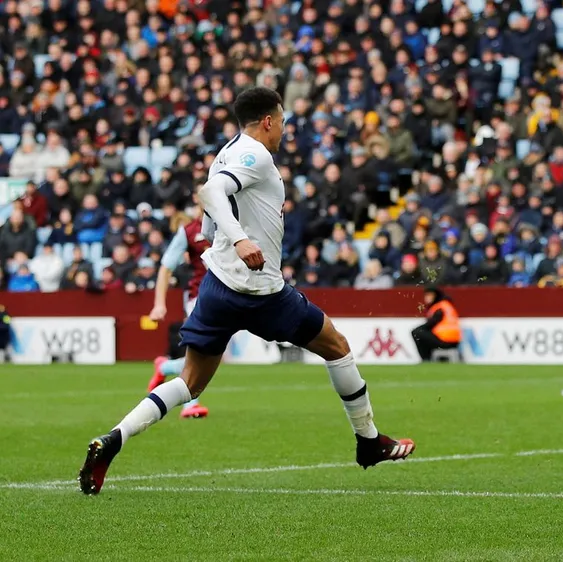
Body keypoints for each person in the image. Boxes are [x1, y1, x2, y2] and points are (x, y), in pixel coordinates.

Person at [79, 88, 415, 495]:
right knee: (337, 346)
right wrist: (239, 239)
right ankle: (368, 441)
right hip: (262, 291)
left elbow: (207, 210)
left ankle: (114, 440)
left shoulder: (227, 151)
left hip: (217, 287)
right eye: (284, 123)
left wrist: (216, 239)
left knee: (189, 382)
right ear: (269, 121)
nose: (284, 132)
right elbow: (211, 194)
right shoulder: (257, 155)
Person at [146, 201, 211, 419]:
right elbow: (166, 267)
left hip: (226, 298)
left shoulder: (228, 225)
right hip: (199, 298)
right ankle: (190, 404)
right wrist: (159, 303)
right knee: (201, 354)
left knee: (211, 357)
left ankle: (164, 368)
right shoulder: (189, 232)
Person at [411, 286, 462, 361]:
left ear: (436, 296)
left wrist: (418, 329)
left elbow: (430, 324)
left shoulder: (439, 307)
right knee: (423, 333)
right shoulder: (446, 305)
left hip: (445, 340)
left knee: (416, 333)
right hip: (455, 340)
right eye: (426, 295)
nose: (427, 298)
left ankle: (426, 359)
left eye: (430, 295)